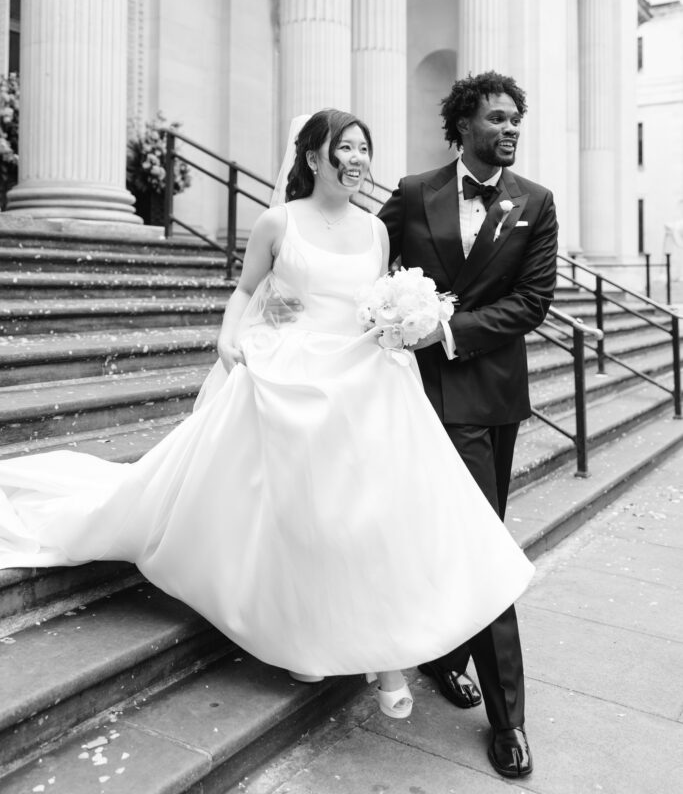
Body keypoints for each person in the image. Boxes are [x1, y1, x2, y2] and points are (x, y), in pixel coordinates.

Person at [0, 108, 533, 723]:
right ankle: (306, 635)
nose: (358, 160)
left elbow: (373, 299)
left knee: (375, 514)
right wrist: (229, 339)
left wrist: (401, 315)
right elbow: (249, 290)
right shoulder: (277, 222)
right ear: (313, 157)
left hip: (367, 379)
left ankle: (387, 658)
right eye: (346, 148)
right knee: (303, 513)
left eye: (365, 149)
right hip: (294, 373)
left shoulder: (377, 231)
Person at [379, 71, 558, 777]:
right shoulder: (412, 192)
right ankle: (481, 695)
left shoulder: (535, 203)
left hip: (490, 399)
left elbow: (532, 301)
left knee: (477, 544)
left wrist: (443, 328)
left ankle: (469, 681)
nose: (510, 127)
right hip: (414, 400)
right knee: (456, 547)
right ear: (461, 125)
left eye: (516, 117)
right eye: (495, 117)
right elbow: (363, 263)